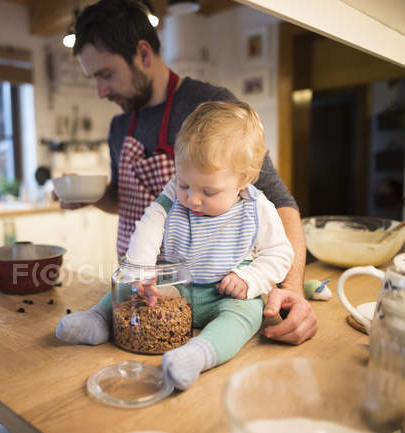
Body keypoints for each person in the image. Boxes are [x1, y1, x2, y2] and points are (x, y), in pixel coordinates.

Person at [56, 0, 317, 344]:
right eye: (94, 79)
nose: (101, 91)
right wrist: (91, 198)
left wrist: (292, 290)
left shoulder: (210, 110)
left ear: (144, 54)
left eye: (106, 74)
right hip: (145, 283)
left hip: (211, 281)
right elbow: (126, 199)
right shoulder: (121, 125)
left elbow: (278, 202)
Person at [57, 101, 294, 389]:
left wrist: (250, 279)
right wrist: (142, 271)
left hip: (227, 295)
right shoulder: (172, 194)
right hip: (175, 290)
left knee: (246, 316)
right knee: (128, 291)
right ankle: (97, 319)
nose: (192, 199)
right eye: (184, 184)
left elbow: (280, 254)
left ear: (244, 179)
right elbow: (149, 224)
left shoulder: (258, 209)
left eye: (208, 191)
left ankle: (197, 355)